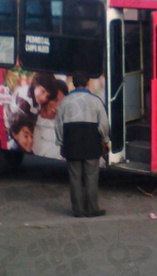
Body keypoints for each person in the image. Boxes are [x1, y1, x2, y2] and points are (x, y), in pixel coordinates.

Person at [55, 71, 109, 218]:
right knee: (91, 177)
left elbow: (59, 125)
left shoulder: (65, 102)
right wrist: (105, 141)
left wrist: (60, 142)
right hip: (91, 143)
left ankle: (78, 210)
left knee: (75, 178)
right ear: (88, 84)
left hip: (72, 144)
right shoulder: (96, 101)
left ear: (73, 84)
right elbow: (103, 125)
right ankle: (92, 208)